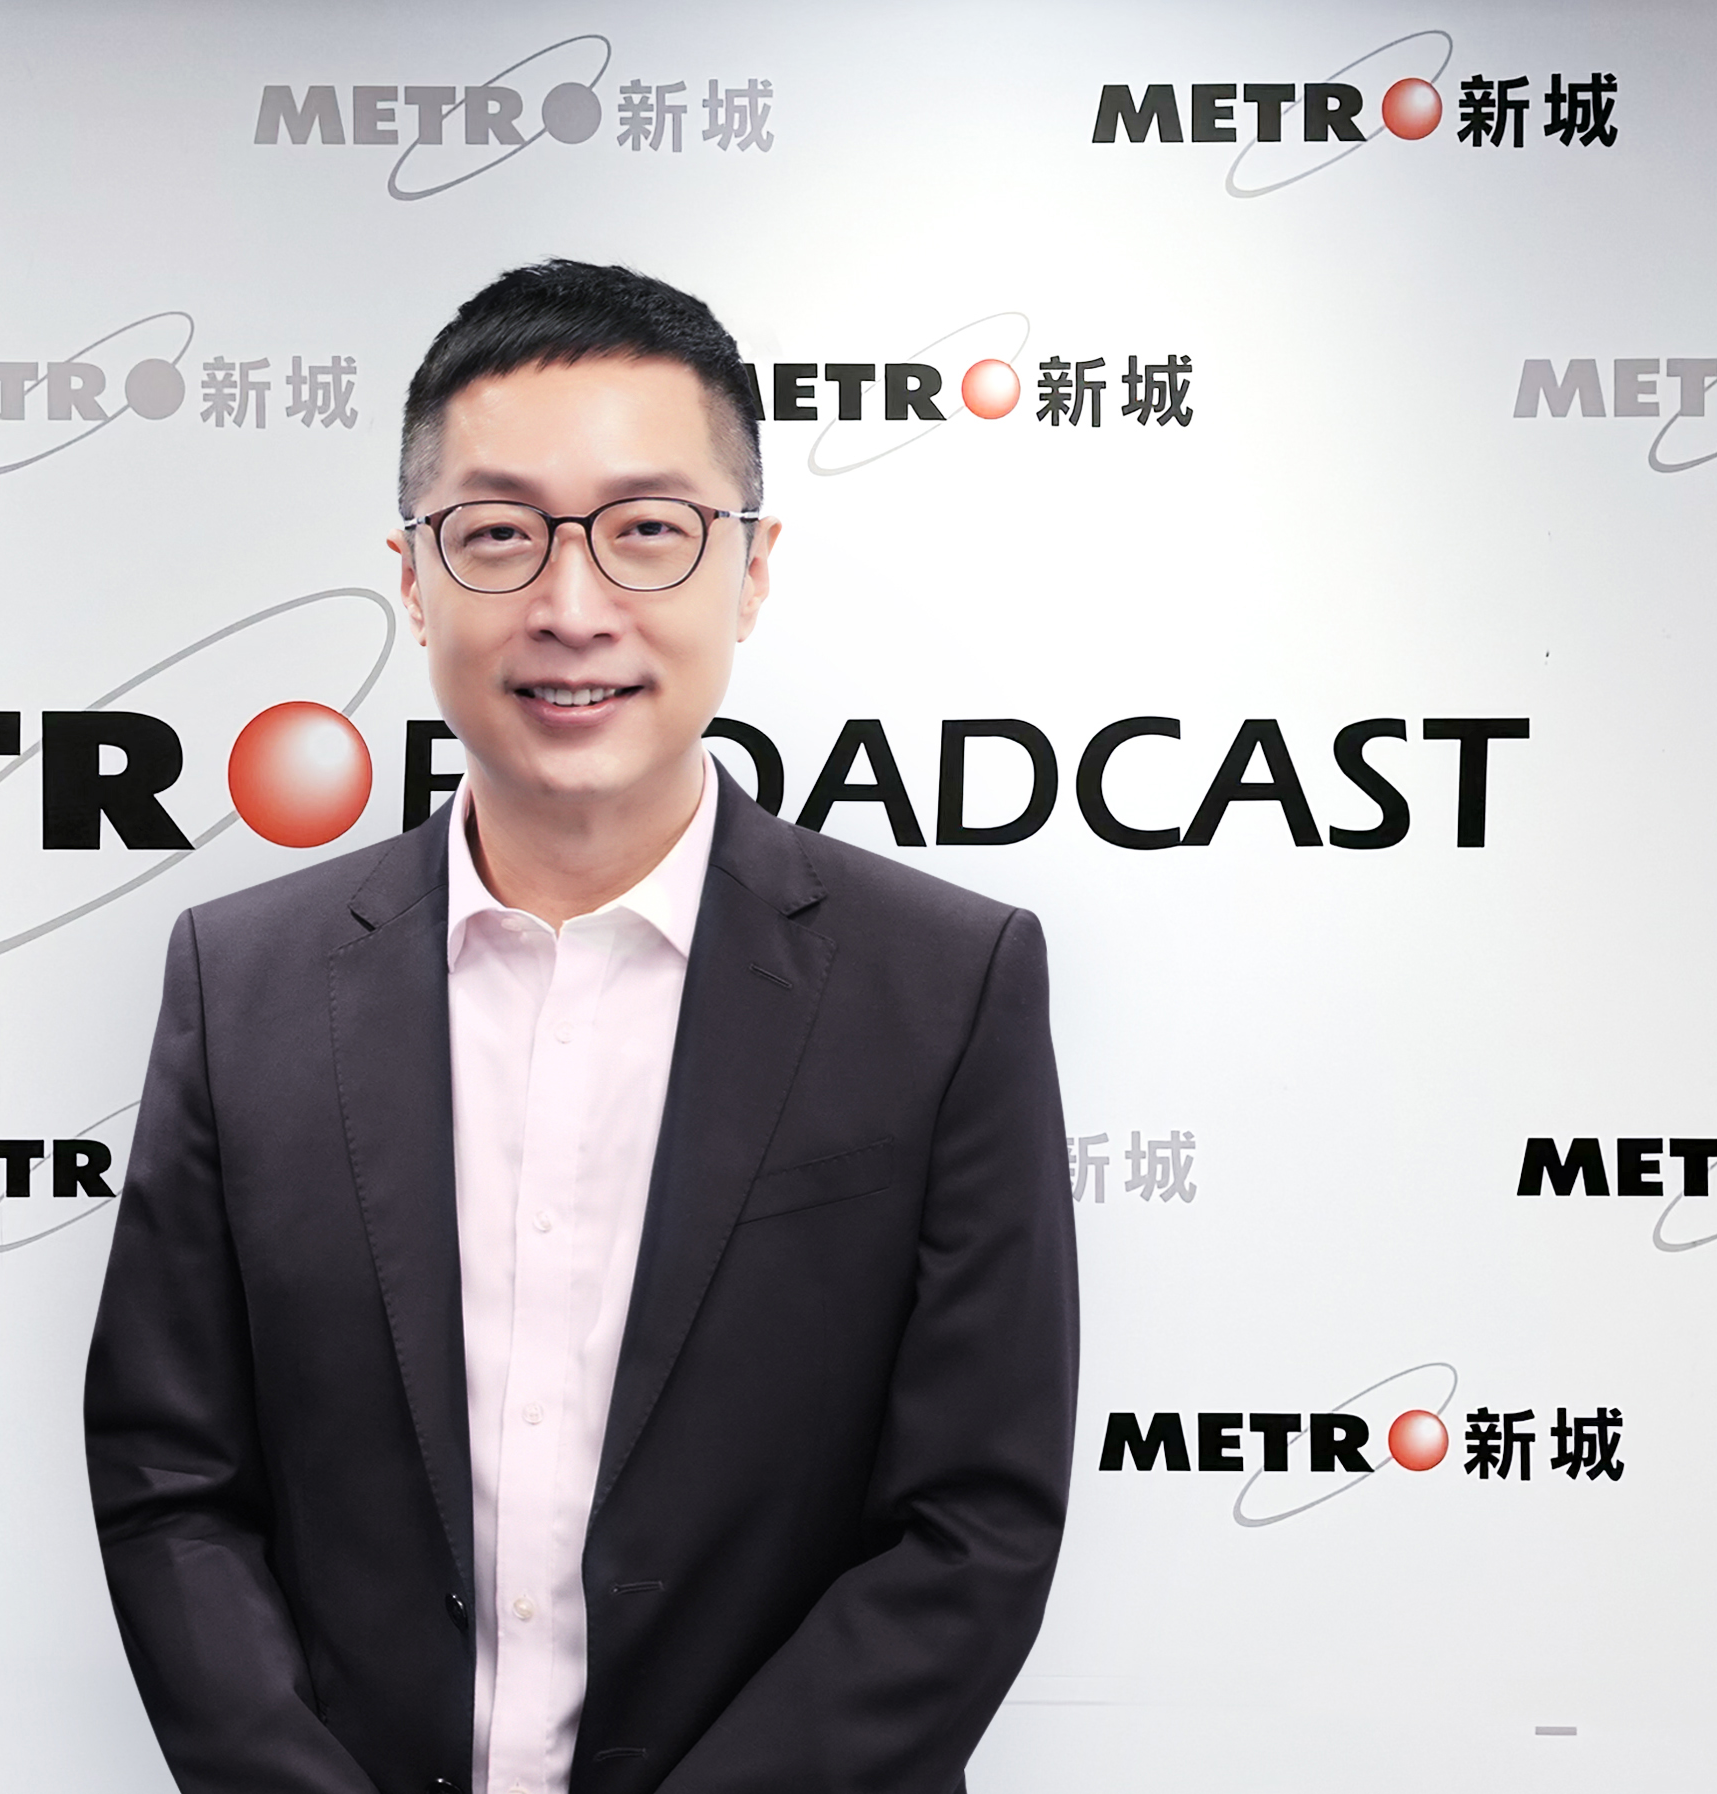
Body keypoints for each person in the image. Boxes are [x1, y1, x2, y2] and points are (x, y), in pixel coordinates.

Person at [83, 260, 1078, 1794]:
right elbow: (170, 1478)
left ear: (751, 569)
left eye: (648, 530)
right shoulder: (244, 982)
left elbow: (973, 1523)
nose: (571, 605)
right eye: (498, 534)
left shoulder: (945, 989)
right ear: (414, 579)